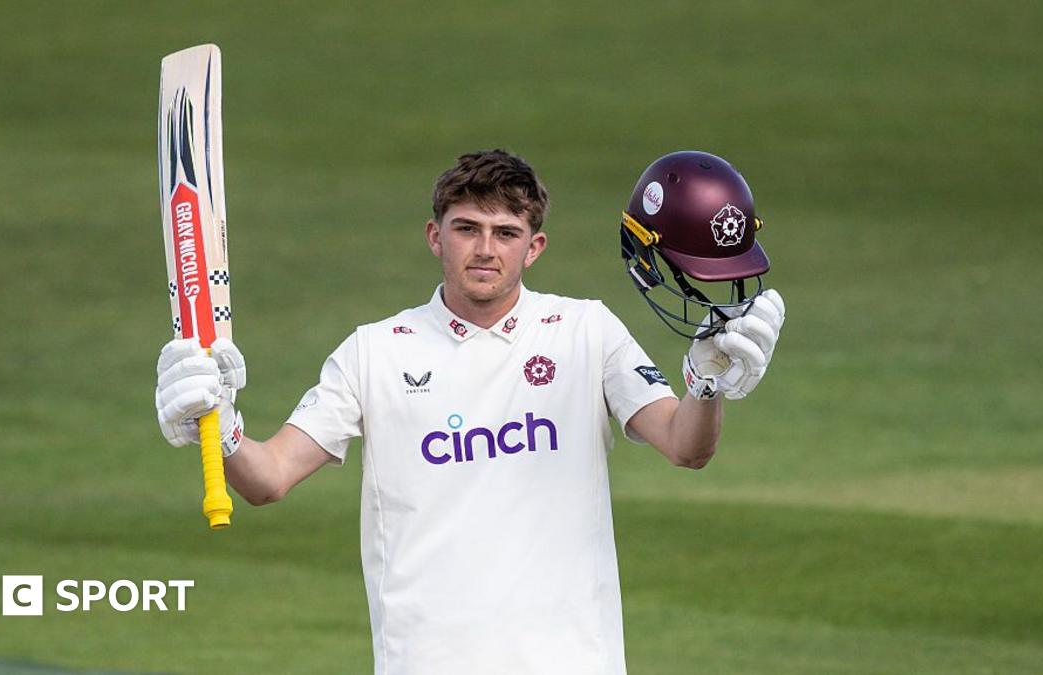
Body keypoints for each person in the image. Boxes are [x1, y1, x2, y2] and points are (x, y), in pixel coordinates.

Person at [154, 149, 784, 675]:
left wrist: (707, 384)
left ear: (534, 247)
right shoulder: (374, 352)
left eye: (506, 233)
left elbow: (685, 445)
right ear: (436, 236)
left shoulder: (586, 331)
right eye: (467, 229)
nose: (485, 249)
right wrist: (221, 425)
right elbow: (268, 478)